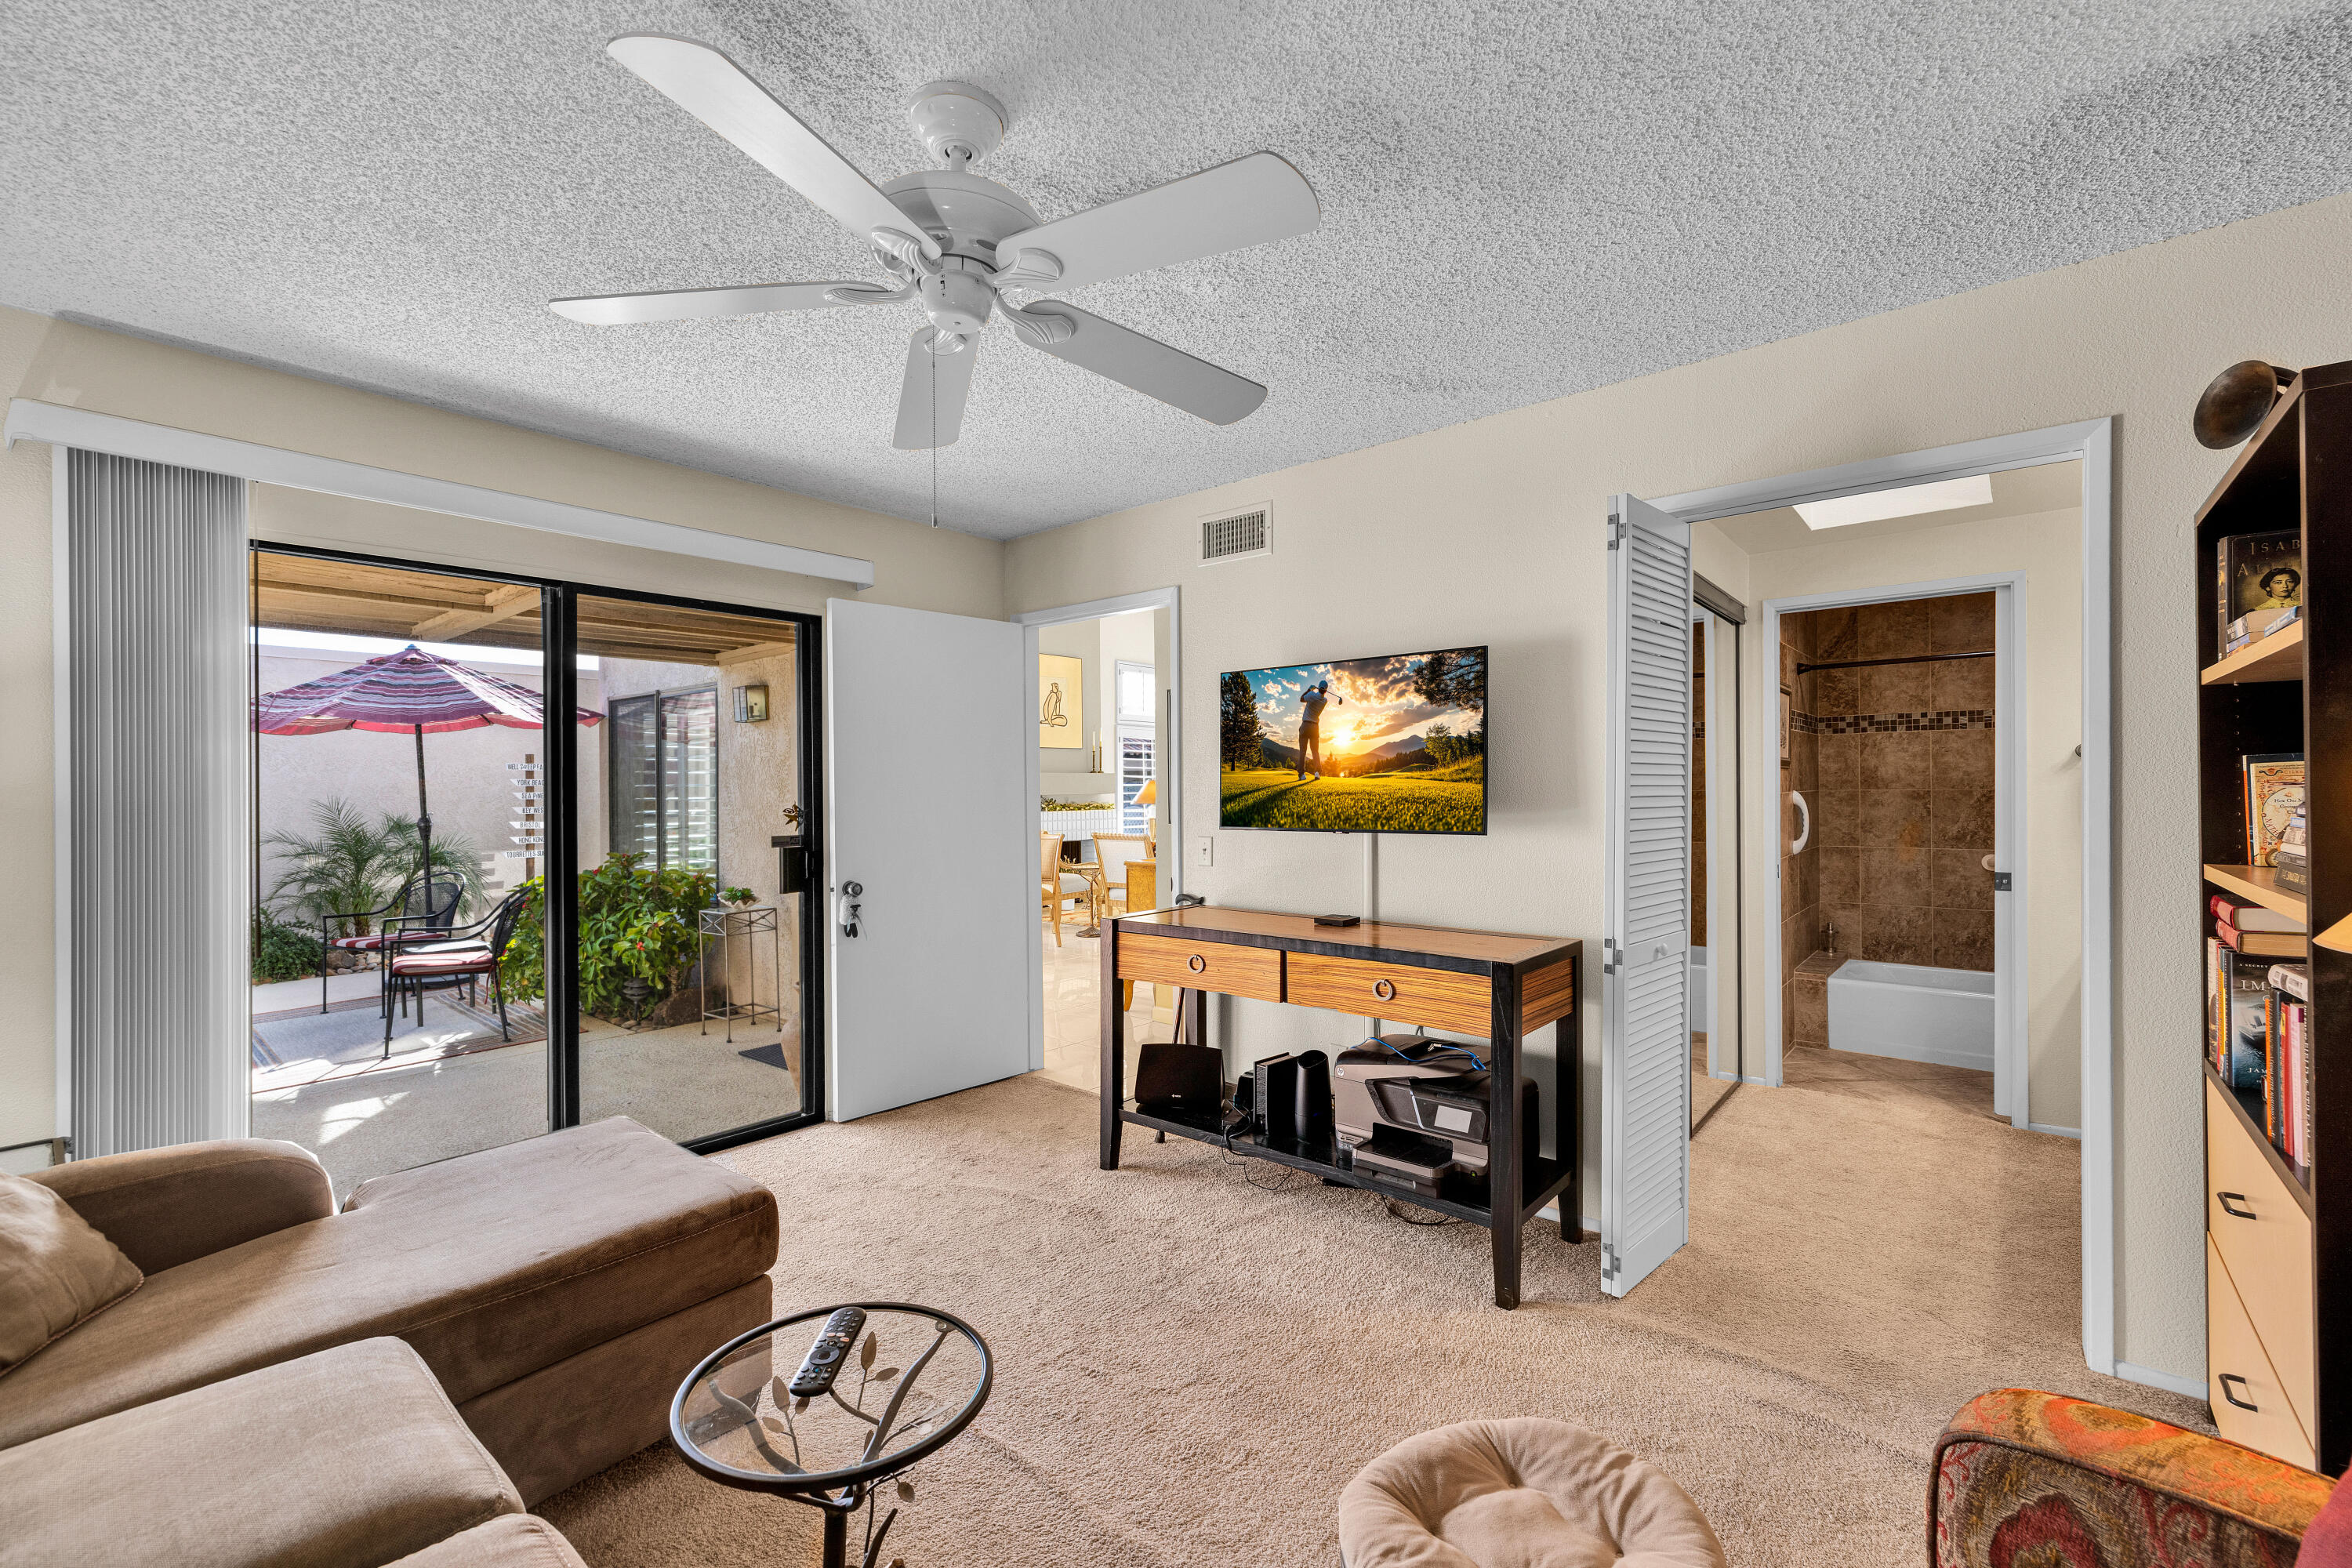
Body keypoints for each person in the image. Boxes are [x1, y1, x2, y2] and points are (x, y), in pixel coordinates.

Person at [1298, 679, 1342, 779]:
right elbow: (1319, 695)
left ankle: (1302, 775)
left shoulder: (1311, 695)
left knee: (1303, 751)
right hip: (1315, 727)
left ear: (1318, 687)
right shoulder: (1325, 701)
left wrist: (1309, 689)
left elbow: (1301, 699)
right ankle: (1317, 773)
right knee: (1315, 751)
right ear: (1326, 691)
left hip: (1305, 725)